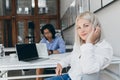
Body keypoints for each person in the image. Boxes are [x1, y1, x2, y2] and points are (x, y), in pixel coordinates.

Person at [44, 11, 113, 80]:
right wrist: (61, 63)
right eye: (79, 27)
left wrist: (89, 43)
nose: (82, 30)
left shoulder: (104, 48)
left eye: (86, 25)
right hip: (71, 76)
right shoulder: (79, 43)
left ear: (96, 27)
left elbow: (88, 69)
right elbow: (73, 56)